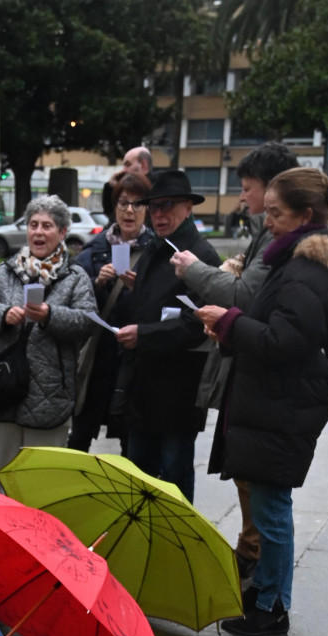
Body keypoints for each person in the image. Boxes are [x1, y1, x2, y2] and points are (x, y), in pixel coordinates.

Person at [198, 168, 328, 636]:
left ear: (305, 216)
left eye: (276, 213)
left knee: (272, 509)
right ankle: (267, 596)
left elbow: (285, 341)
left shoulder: (304, 269)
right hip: (278, 400)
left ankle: (273, 607)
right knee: (271, 504)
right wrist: (233, 325)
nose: (266, 221)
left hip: (284, 402)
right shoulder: (297, 261)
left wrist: (229, 320)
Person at [171, 142, 300, 578]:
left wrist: (198, 275)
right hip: (254, 379)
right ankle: (253, 561)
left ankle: (266, 589)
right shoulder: (270, 237)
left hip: (268, 386)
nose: (243, 198)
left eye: (247, 189)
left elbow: (252, 303)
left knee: (268, 497)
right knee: (253, 481)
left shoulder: (291, 247)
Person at [113, 169, 221, 502]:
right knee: (139, 473)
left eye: (167, 206)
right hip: (143, 386)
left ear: (188, 207)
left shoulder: (201, 255)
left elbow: (196, 324)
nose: (159, 214)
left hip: (178, 390)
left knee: (173, 474)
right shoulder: (154, 251)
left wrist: (143, 334)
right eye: (154, 207)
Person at [0, 194, 95, 476]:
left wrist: (49, 315)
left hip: (51, 397)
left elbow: (87, 321)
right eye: (33, 224)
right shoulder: (6, 271)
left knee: (42, 481)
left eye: (47, 226)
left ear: (63, 232)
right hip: (4, 390)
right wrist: (5, 314)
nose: (38, 232)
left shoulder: (76, 277)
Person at [68, 169, 153, 454]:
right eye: (123, 203)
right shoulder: (94, 250)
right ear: (114, 207)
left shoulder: (157, 251)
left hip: (136, 358)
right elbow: (73, 300)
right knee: (80, 434)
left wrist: (138, 289)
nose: (130, 211)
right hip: (97, 358)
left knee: (133, 439)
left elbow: (164, 304)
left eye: (138, 204)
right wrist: (98, 282)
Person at [102, 145, 154, 216]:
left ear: (143, 165)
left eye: (128, 164)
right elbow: (111, 214)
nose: (124, 170)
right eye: (123, 203)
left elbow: (112, 217)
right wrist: (111, 187)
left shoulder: (157, 191)